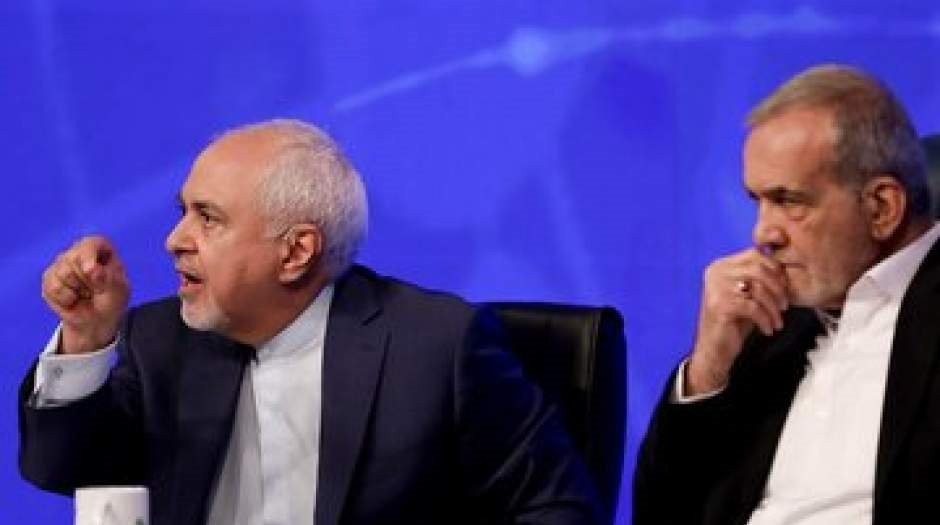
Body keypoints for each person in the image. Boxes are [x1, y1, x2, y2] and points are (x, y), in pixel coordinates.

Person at [19, 119, 601, 525]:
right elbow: (62, 471)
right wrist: (87, 337)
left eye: (208, 218)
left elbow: (558, 511)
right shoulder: (160, 338)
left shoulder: (436, 347)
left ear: (296, 252)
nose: (175, 240)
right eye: (183, 212)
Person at [634, 64, 940, 524]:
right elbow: (662, 514)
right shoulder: (771, 323)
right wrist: (708, 368)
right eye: (757, 201)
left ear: (882, 207)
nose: (763, 234)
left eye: (789, 201)